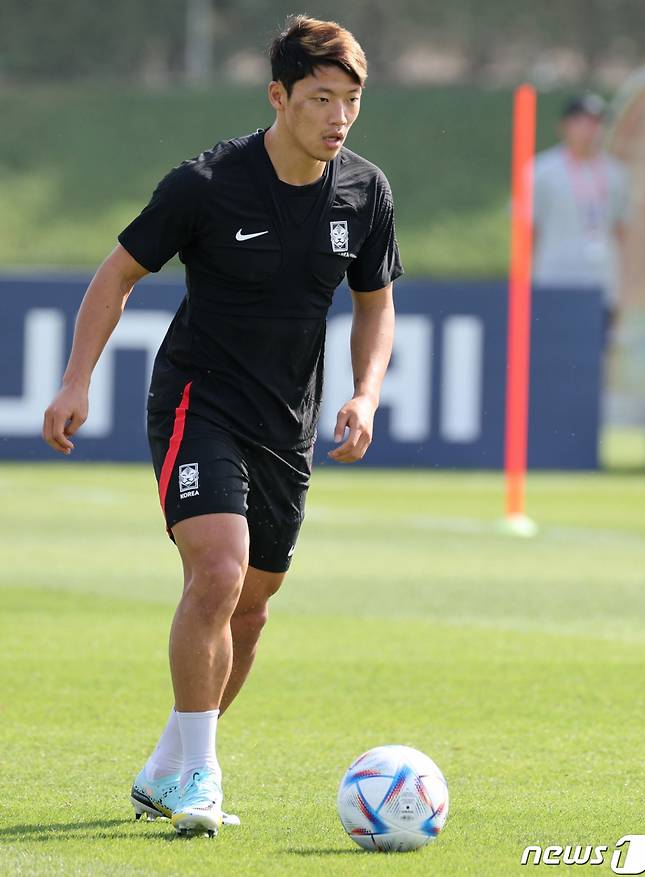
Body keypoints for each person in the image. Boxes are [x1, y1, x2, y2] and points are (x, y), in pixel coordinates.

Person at [41, 15, 402, 838]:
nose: (338, 116)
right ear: (278, 97)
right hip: (197, 405)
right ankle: (202, 772)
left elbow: (375, 305)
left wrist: (366, 393)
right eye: (320, 98)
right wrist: (74, 380)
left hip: (289, 425)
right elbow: (117, 273)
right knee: (218, 572)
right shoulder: (205, 184)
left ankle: (168, 764)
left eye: (350, 100)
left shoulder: (365, 192)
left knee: (254, 606)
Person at [533, 93, 629, 344]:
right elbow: (529, 229)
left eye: (596, 122)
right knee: (554, 351)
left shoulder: (616, 174)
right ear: (564, 126)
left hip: (600, 282)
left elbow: (620, 230)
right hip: (555, 279)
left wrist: (621, 288)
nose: (590, 130)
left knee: (595, 356)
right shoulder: (541, 171)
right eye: (581, 122)